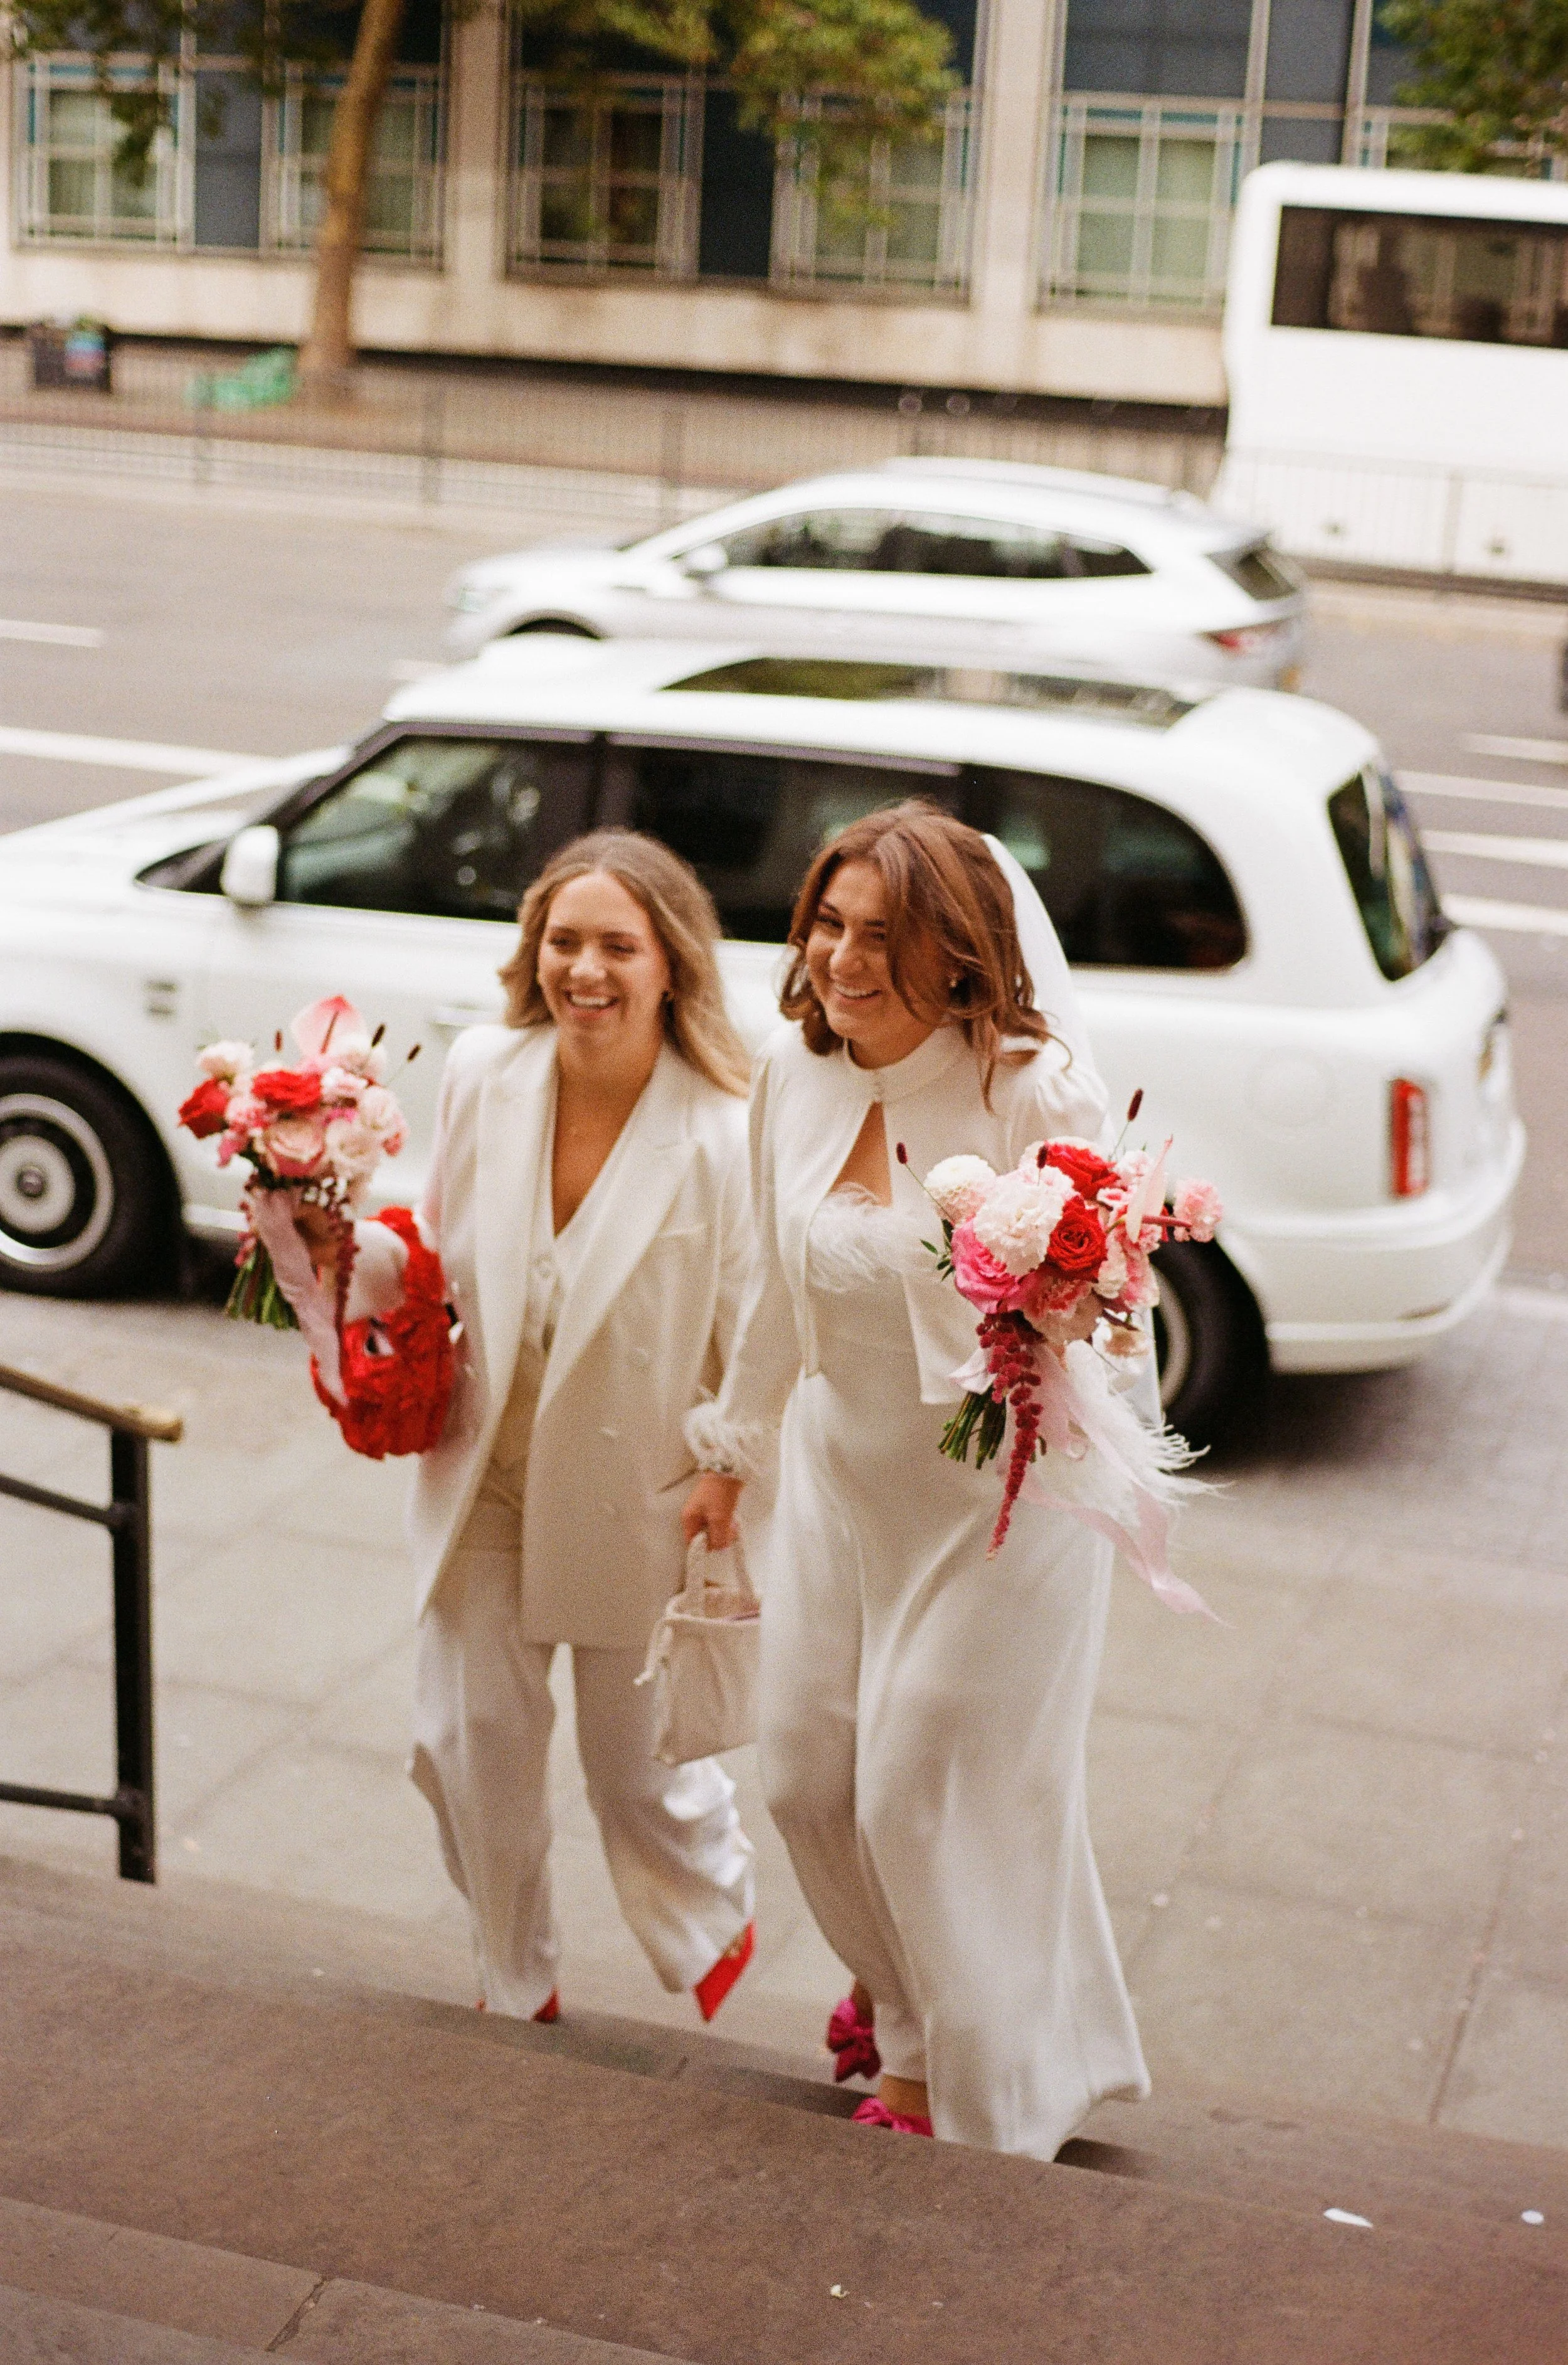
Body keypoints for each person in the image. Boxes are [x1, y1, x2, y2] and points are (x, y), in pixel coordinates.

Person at [683, 802, 1150, 2157]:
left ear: (956, 955)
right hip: (843, 1482)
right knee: (806, 1785)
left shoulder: (1027, 1087)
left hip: (1002, 1500)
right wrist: (729, 1450)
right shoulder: (793, 1069)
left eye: (883, 936)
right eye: (828, 923)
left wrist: (1062, 1288)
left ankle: (972, 2103)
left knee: (914, 1791)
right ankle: (905, 2017)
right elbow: (771, 1279)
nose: (842, 957)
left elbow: (1111, 1312)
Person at [307, 830, 758, 2026]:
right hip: (487, 1467)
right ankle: (517, 1977)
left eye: (620, 944)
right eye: (565, 941)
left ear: (672, 964)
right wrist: (332, 1244)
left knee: (637, 1772)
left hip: (642, 1494)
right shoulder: (484, 1070)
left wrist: (731, 1469)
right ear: (534, 953)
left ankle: (711, 1905)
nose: (587, 970)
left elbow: (754, 1327)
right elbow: (438, 1251)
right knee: (472, 1740)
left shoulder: (723, 1128)